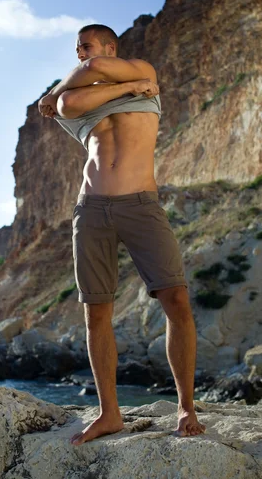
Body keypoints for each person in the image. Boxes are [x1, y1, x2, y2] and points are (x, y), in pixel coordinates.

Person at [38, 24, 205, 445]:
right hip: (91, 208)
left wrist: (125, 79)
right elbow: (66, 102)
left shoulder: (142, 66)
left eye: (86, 46)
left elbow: (83, 80)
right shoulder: (127, 84)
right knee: (97, 312)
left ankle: (186, 405)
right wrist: (131, 88)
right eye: (77, 49)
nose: (80, 54)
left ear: (110, 47)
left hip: (141, 204)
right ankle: (109, 413)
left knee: (177, 299)